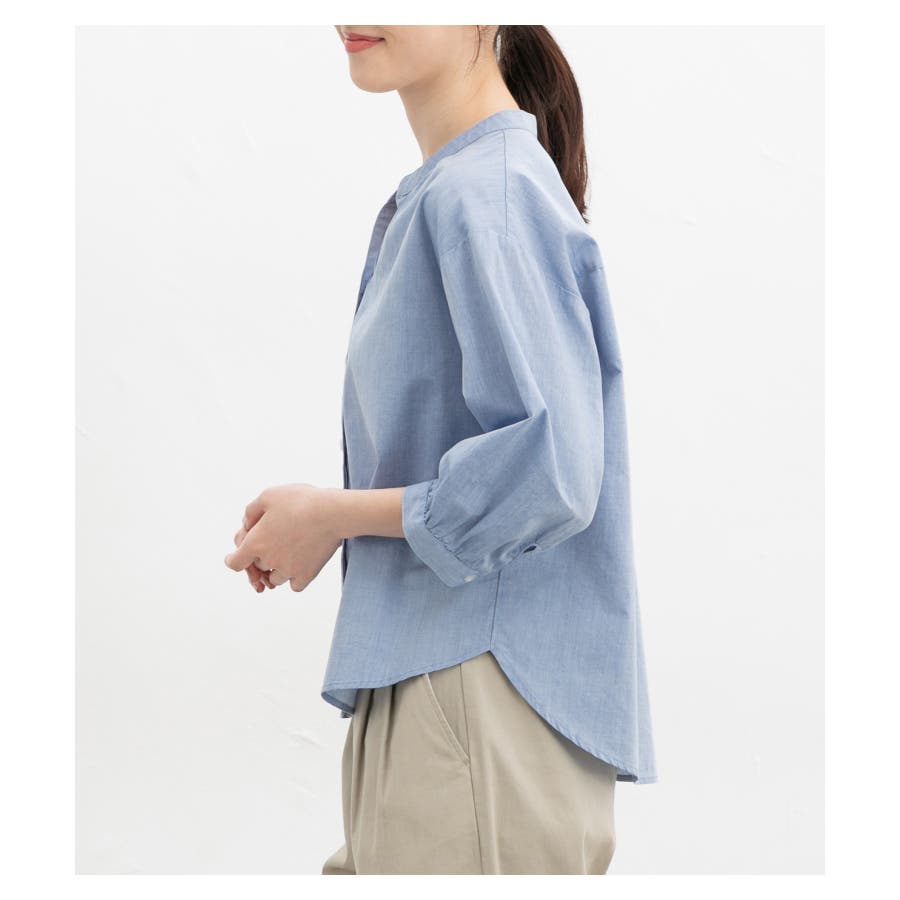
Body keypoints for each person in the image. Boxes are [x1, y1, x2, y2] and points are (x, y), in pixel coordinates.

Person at [224, 25, 658, 875]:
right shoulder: (460, 189)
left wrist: (333, 516)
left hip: (474, 690)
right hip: (440, 687)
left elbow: (551, 466)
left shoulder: (487, 192)